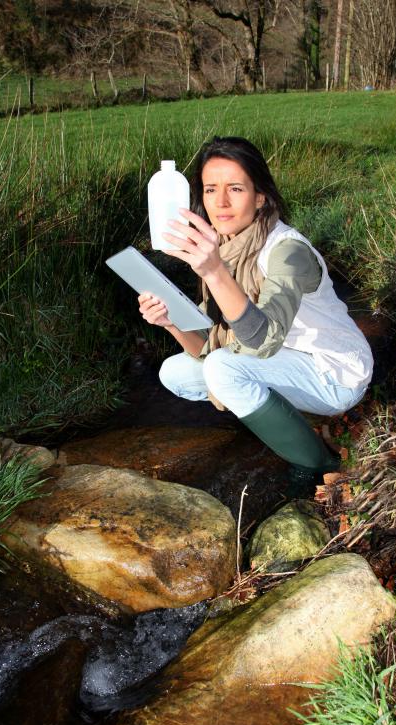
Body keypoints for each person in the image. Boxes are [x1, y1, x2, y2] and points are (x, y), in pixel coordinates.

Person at [138, 136, 373, 481]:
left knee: (224, 369)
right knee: (174, 372)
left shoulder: (287, 252)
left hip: (334, 374)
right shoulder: (227, 246)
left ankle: (322, 466)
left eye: (235, 189)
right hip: (283, 365)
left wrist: (215, 272)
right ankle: (288, 418)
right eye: (209, 189)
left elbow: (263, 340)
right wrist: (170, 322)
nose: (220, 203)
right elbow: (206, 347)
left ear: (260, 196)